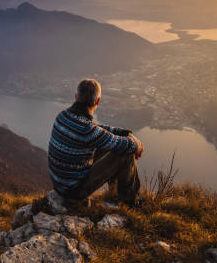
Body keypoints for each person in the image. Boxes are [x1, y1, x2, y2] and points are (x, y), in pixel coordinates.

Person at [48, 78, 145, 206]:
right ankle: (130, 203)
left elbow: (99, 130)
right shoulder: (87, 130)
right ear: (97, 101)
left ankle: (115, 193)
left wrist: (125, 133)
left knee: (112, 145)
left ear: (76, 96)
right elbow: (128, 146)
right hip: (73, 191)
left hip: (59, 185)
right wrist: (138, 145)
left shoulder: (62, 116)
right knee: (124, 154)